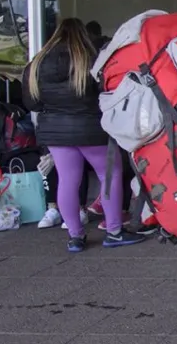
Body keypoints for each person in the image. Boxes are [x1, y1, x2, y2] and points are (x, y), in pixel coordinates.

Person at [21, 17, 145, 253]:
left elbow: (32, 103)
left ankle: (75, 237)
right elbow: (107, 93)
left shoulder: (36, 63)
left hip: (56, 132)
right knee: (109, 175)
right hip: (92, 130)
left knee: (68, 180)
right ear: (83, 36)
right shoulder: (91, 60)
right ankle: (114, 232)